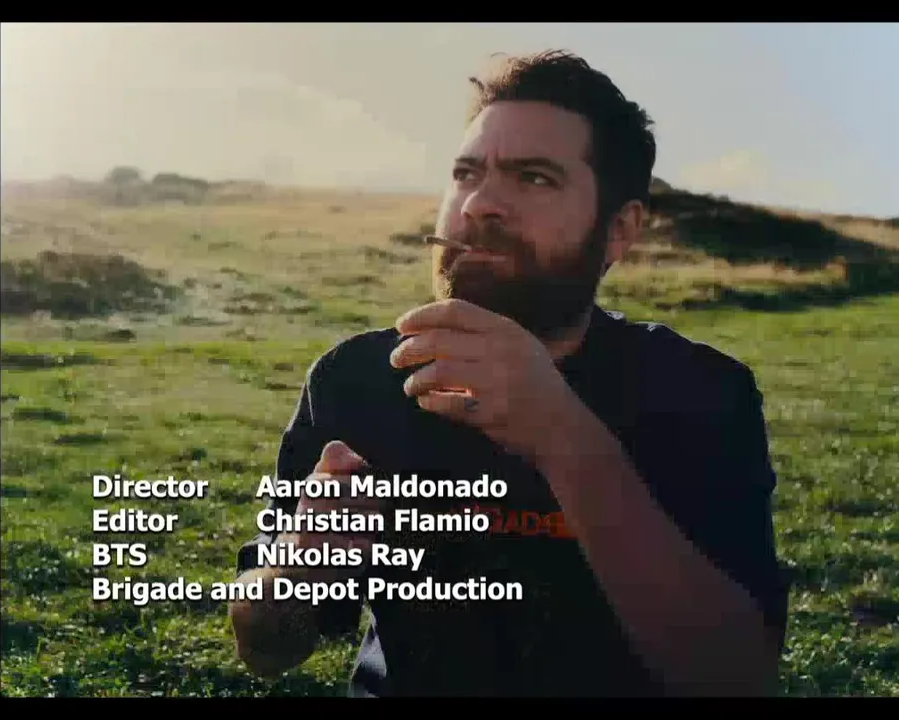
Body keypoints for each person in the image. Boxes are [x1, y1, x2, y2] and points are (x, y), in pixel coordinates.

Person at [228, 49, 789, 697]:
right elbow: (266, 650)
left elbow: (735, 676)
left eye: (534, 178)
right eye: (465, 173)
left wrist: (560, 433)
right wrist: (298, 573)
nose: (480, 204)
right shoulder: (355, 380)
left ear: (618, 230)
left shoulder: (697, 392)